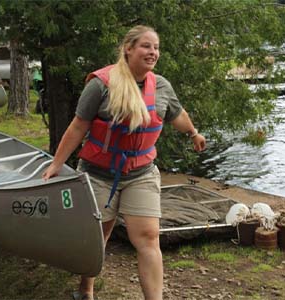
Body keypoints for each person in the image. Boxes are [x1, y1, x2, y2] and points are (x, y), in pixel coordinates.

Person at [42, 25, 206, 300]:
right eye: (146, 46)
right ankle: (86, 289)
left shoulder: (162, 85)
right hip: (98, 173)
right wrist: (56, 164)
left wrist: (193, 133)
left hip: (141, 173)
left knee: (148, 238)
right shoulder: (101, 84)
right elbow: (78, 126)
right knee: (100, 237)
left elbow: (177, 114)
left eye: (156, 47)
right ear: (128, 49)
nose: (152, 52)